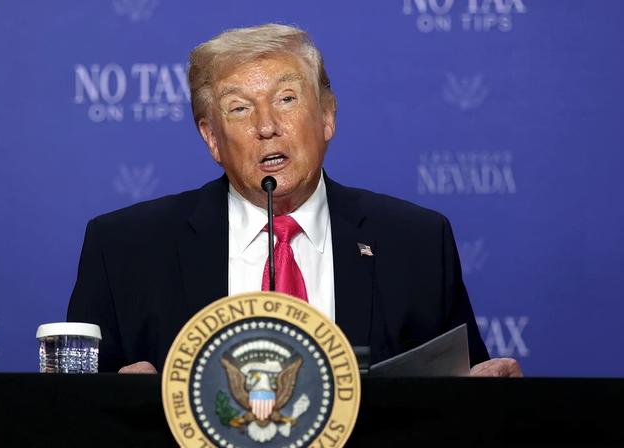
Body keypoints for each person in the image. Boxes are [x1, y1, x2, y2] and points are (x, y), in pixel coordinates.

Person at [67, 23, 522, 377]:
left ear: (326, 117)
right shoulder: (125, 248)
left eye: (286, 98)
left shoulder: (417, 242)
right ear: (211, 138)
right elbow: (71, 418)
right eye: (239, 108)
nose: (266, 125)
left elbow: (461, 404)